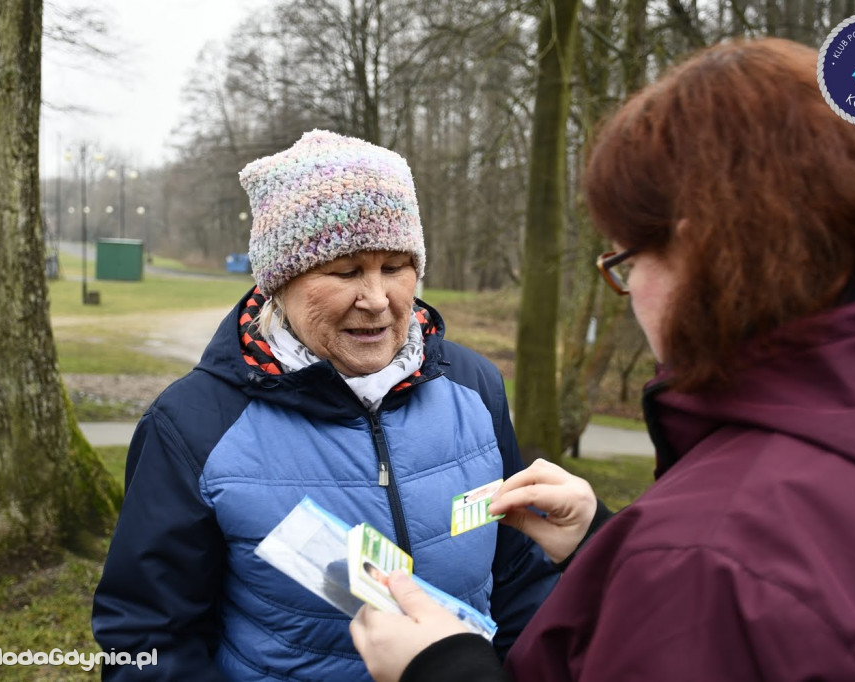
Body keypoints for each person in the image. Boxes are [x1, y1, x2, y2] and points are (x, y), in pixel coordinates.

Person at [349, 37, 855, 681]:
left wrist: (445, 671)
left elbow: (719, 589)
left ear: (701, 253)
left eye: (627, 261)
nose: (631, 290)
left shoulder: (708, 558)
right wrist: (605, 546)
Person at [92, 130, 558, 680]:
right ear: (279, 283)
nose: (378, 299)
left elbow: (521, 580)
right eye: (345, 271)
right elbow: (146, 638)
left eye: (396, 267)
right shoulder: (193, 425)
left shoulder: (474, 387)